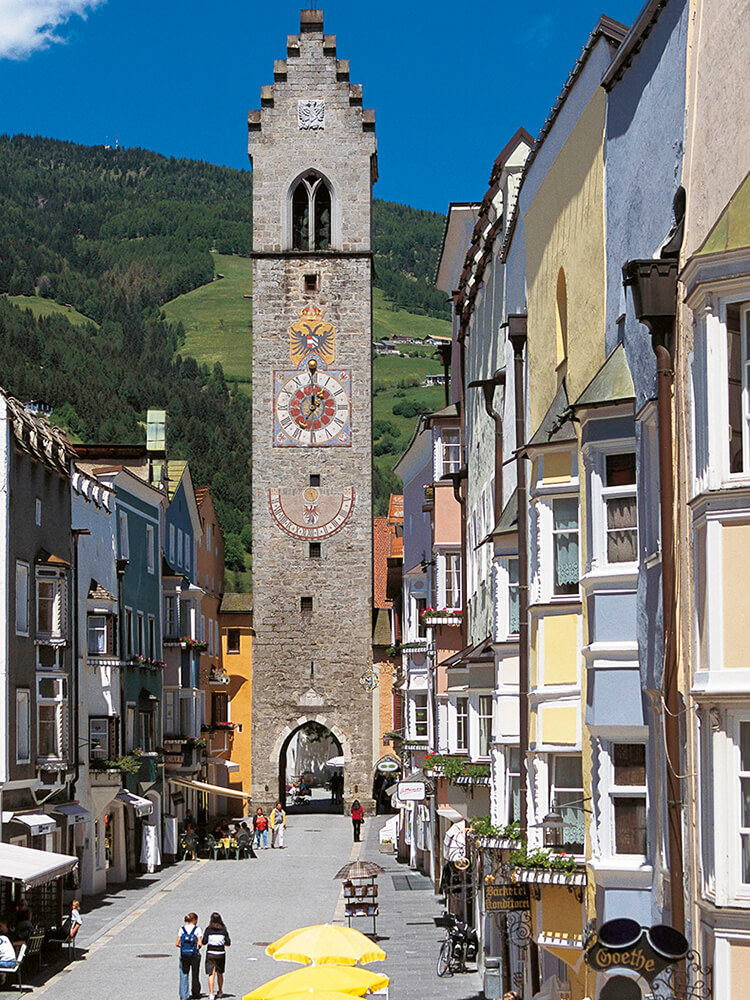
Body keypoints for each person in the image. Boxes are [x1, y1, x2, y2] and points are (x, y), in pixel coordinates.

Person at [203, 911, 231, 1000]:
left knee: (211, 973)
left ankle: (211, 993)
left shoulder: (208, 930)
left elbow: (204, 942)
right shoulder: (223, 930)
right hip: (220, 953)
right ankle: (220, 990)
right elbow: (228, 943)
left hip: (211, 953)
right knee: (220, 973)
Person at [176, 912, 203, 1000]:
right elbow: (200, 943)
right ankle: (195, 993)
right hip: (194, 954)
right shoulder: (197, 929)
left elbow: (177, 943)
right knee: (195, 974)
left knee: (184, 973)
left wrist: (183, 948)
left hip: (184, 955)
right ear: (195, 920)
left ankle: (184, 995)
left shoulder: (182, 929)